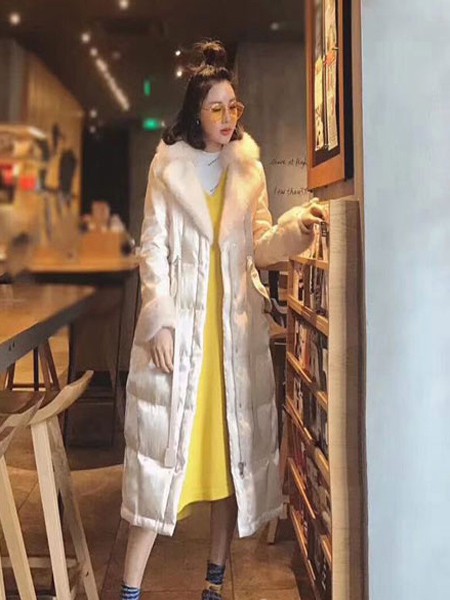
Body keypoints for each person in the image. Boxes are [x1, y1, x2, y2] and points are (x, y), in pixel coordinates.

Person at [120, 40, 325, 600]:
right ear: (196, 111)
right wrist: (159, 319)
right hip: (181, 340)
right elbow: (152, 249)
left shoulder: (248, 169)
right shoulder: (168, 167)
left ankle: (214, 584)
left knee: (227, 467)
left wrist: (295, 230)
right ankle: (130, 589)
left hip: (231, 340)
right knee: (160, 472)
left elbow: (260, 244)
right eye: (217, 107)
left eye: (234, 106)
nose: (228, 117)